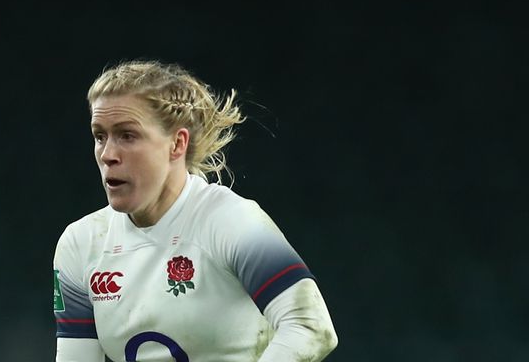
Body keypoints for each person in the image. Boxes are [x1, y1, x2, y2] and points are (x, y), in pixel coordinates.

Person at [53, 61, 338, 362]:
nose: (108, 154)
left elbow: (310, 327)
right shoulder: (82, 243)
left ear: (177, 144)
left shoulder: (231, 222)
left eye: (127, 136)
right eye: (100, 137)